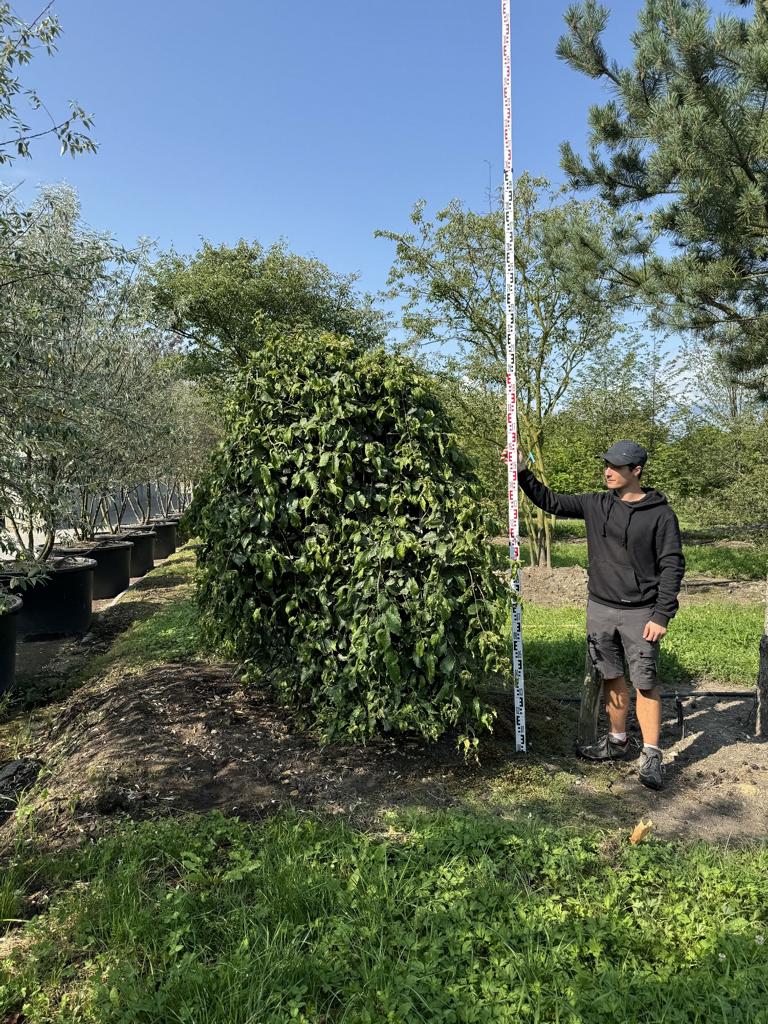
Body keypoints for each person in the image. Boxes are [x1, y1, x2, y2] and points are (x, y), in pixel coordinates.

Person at [515, 440, 685, 790]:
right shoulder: (596, 504)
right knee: (611, 676)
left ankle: (652, 754)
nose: (608, 472)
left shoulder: (660, 515)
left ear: (636, 471)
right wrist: (521, 472)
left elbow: (672, 566)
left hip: (642, 613)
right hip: (601, 608)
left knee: (646, 682)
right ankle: (617, 740)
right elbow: (551, 501)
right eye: (606, 465)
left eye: (616, 467)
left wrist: (662, 615)